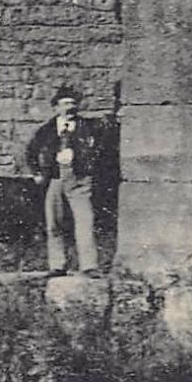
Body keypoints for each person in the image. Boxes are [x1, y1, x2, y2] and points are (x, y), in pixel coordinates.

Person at [23, 85, 112, 275]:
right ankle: (57, 265)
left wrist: (90, 166)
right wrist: (37, 172)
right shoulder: (46, 130)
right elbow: (30, 152)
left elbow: (103, 149)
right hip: (54, 179)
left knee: (84, 221)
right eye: (64, 104)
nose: (69, 108)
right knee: (54, 223)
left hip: (80, 179)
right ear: (55, 108)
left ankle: (89, 266)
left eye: (73, 104)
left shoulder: (89, 127)